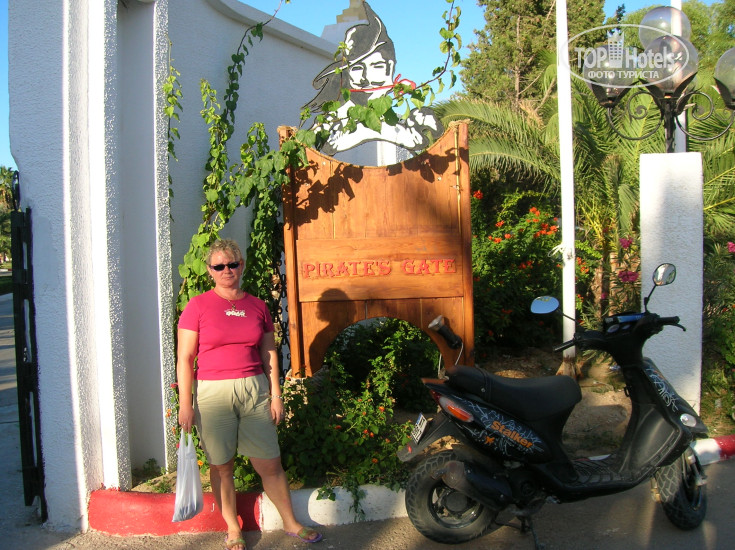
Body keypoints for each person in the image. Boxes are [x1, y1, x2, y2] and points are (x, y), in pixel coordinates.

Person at [177, 239, 322, 549]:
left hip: (254, 389)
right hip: (213, 393)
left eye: (232, 264)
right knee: (222, 466)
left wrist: (276, 394)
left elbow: (269, 352)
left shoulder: (257, 306)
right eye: (219, 266)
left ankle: (291, 522)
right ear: (209, 270)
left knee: (270, 462)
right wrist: (185, 404)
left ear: (241, 265)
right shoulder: (197, 306)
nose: (226, 270)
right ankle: (233, 528)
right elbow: (185, 358)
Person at [304, 1, 442, 156]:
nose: (366, 78)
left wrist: (409, 128)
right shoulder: (334, 120)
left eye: (377, 66)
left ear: (390, 67)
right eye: (357, 68)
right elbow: (325, 145)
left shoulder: (389, 117)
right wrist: (366, 131)